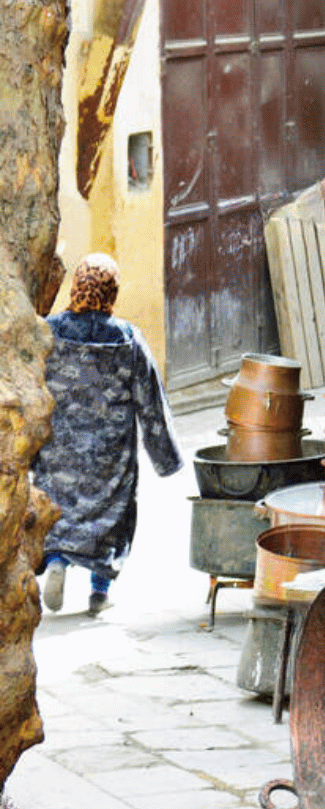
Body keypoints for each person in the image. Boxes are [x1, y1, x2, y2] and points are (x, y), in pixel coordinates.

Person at [34, 255, 182, 615]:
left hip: (58, 451)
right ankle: (99, 592)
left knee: (58, 509)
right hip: (109, 456)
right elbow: (150, 402)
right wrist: (165, 457)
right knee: (113, 515)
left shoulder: (47, 333)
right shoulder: (128, 338)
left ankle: (56, 561)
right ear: (111, 290)